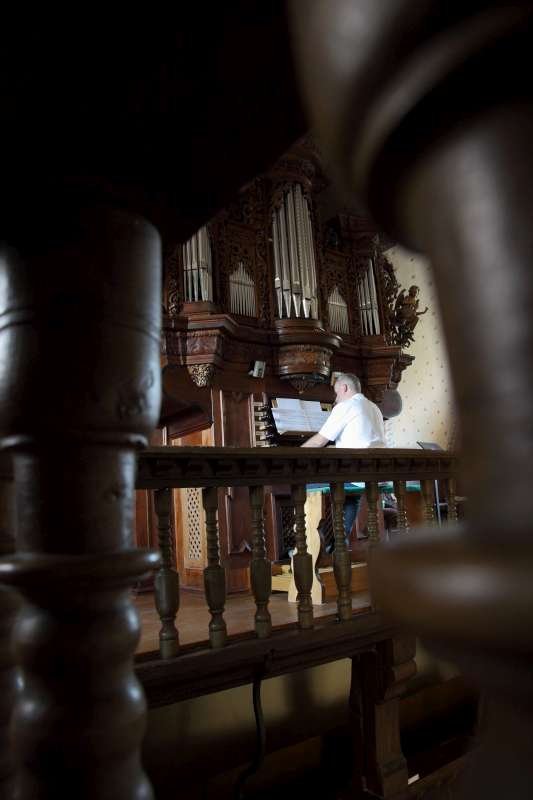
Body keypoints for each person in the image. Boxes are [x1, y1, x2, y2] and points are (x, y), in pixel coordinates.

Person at [301, 373, 386, 539]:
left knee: (304, 482)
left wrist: (294, 455)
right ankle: (337, 540)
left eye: (336, 392)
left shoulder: (346, 406)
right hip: (375, 472)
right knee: (349, 496)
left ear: (344, 388)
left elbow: (319, 441)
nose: (336, 398)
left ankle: (317, 540)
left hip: (354, 472)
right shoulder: (374, 407)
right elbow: (362, 440)